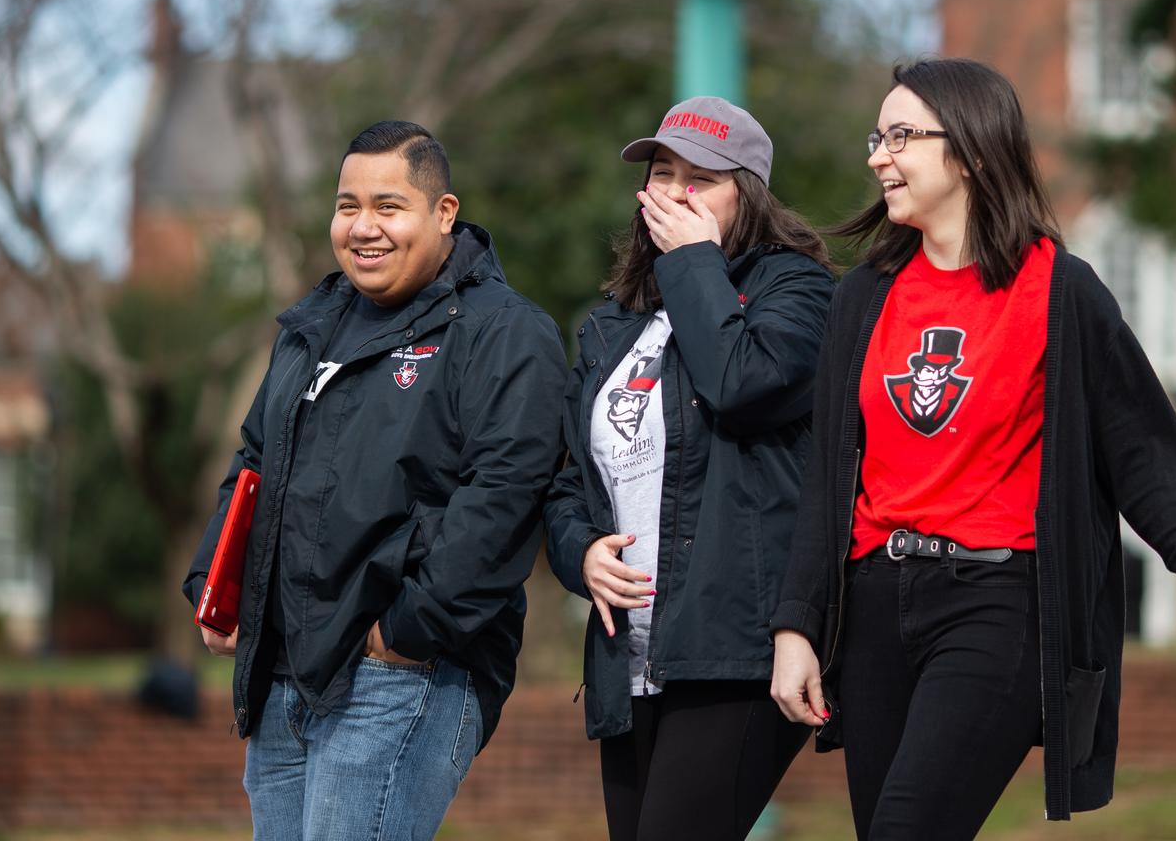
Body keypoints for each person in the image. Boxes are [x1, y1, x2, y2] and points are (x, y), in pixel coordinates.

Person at [768, 59, 1176, 839]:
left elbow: (1144, 454)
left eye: (900, 136)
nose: (876, 156)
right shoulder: (864, 298)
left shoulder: (1061, 293)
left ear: (972, 151)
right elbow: (828, 482)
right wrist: (798, 624)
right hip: (876, 608)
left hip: (996, 606)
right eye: (875, 136)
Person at [184, 120, 567, 841]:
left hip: (401, 674)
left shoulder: (503, 332)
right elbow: (256, 460)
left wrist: (405, 632)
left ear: (442, 212)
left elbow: (506, 498)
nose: (363, 227)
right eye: (347, 205)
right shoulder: (313, 324)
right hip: (284, 673)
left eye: (388, 206)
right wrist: (218, 581)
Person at [544, 96, 836, 841]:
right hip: (629, 656)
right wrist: (578, 550)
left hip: (735, 649)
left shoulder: (796, 290)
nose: (673, 193)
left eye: (699, 179)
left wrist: (697, 263)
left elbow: (743, 384)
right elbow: (567, 479)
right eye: (662, 173)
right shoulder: (613, 321)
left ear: (750, 195)